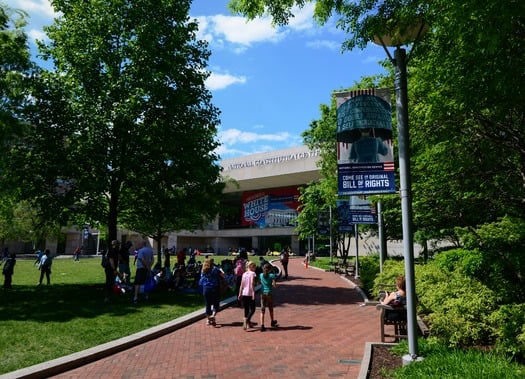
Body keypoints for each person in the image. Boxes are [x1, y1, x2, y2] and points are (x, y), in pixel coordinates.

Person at [199, 258, 224, 326]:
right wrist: (221, 269)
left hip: (206, 288)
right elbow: (223, 275)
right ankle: (213, 315)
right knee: (216, 304)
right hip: (214, 288)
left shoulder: (203, 269)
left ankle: (208, 319)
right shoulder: (215, 269)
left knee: (208, 304)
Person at [133, 240, 154, 305]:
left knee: (137, 283)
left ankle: (135, 297)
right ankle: (146, 296)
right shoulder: (150, 250)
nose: (138, 245)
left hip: (141, 269)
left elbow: (142, 260)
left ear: (142, 244)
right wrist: (149, 267)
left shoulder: (140, 251)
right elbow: (153, 259)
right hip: (147, 269)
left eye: (139, 244)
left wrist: (146, 267)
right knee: (146, 282)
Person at [238, 261, 257, 330]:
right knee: (253, 309)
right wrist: (253, 293)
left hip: (244, 293)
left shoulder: (244, 274)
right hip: (250, 293)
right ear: (252, 267)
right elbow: (252, 283)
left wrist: (240, 293)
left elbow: (241, 285)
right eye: (254, 267)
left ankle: (247, 324)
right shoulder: (253, 273)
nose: (255, 269)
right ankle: (247, 320)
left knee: (246, 309)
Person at [259, 263, 278, 331]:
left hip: (262, 293)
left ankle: (262, 325)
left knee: (262, 309)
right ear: (270, 269)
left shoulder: (261, 275)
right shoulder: (272, 275)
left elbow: (260, 282)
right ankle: (272, 321)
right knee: (270, 308)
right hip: (269, 293)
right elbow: (274, 285)